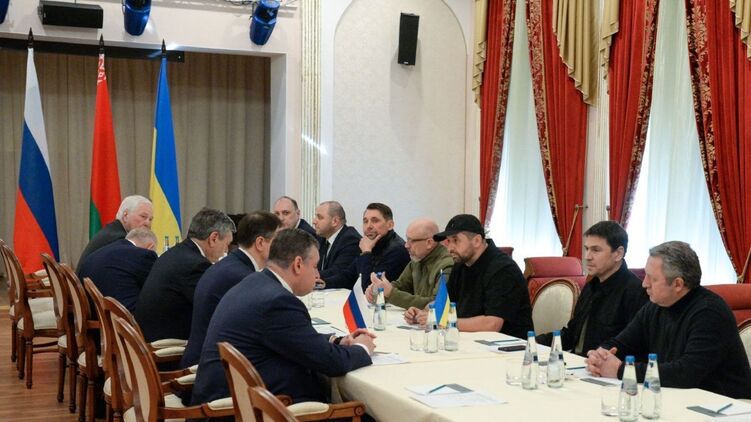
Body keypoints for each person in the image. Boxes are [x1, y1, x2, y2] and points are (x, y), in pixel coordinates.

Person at [190, 229, 374, 411]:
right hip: (243, 410)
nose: (317, 274)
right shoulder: (278, 302)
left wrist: (336, 340)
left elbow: (293, 338)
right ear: (298, 264)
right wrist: (362, 347)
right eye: (315, 266)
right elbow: (332, 363)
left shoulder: (256, 282)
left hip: (231, 400)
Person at [585, 241, 751, 399]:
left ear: (678, 284)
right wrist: (600, 356)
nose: (644, 284)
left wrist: (622, 370)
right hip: (677, 397)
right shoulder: (656, 305)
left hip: (724, 404)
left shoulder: (709, 312)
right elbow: (621, 344)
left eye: (652, 278)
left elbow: (686, 373)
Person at [404, 214, 533, 337]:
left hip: (508, 345)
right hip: (470, 339)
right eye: (448, 241)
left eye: (456, 240)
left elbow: (492, 324)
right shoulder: (461, 264)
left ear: (476, 240)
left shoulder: (503, 269)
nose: (449, 248)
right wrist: (424, 313)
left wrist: (443, 321)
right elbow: (445, 301)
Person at [181, 211, 281, 368]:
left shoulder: (230, 265)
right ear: (260, 243)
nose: (282, 247)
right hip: (211, 367)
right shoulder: (242, 278)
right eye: (278, 240)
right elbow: (268, 331)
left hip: (205, 357)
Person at [536, 221, 647, 356]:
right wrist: (532, 341)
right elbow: (571, 334)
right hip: (577, 361)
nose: (587, 257)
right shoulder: (591, 285)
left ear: (618, 253)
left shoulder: (636, 292)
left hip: (603, 365)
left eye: (596, 250)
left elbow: (632, 346)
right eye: (587, 249)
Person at [135, 208, 235, 342]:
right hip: (166, 344)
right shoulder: (195, 265)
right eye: (227, 244)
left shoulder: (177, 252)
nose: (226, 250)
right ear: (213, 238)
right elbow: (213, 308)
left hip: (149, 335)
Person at [365, 218, 454, 309]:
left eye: (412, 241)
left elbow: (437, 304)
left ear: (429, 243)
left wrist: (390, 293)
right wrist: (378, 290)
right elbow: (400, 286)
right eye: (407, 239)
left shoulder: (446, 266)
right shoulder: (417, 260)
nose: (406, 245)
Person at [322, 203, 410, 290]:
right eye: (365, 221)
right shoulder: (371, 243)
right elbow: (348, 277)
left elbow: (370, 288)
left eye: (375, 221)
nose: (369, 226)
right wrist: (323, 283)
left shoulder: (398, 250)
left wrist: (366, 252)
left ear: (390, 225)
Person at [77, 227, 158, 313]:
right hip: (123, 316)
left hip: (93, 313)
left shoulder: (100, 252)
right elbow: (155, 288)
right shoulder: (143, 255)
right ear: (150, 247)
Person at [78, 195, 153, 266]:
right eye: (143, 216)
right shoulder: (118, 239)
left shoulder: (113, 231)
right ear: (125, 216)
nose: (148, 223)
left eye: (150, 219)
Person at [312, 201, 361, 282]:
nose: (314, 222)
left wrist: (307, 276)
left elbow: (337, 272)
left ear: (335, 221)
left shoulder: (351, 240)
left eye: (320, 217)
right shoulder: (321, 238)